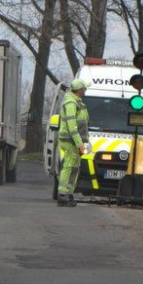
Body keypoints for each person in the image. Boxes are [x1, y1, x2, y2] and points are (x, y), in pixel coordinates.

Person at [57, 78, 91, 207]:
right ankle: (63, 195)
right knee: (69, 166)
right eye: (84, 89)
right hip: (70, 141)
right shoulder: (71, 103)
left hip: (75, 141)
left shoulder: (77, 102)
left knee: (74, 167)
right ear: (79, 90)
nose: (85, 91)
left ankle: (68, 193)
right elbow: (72, 127)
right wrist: (79, 144)